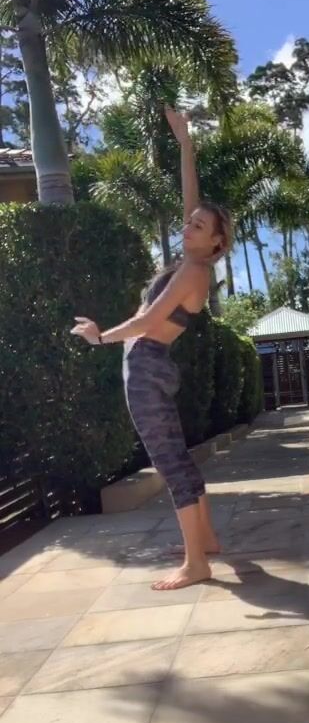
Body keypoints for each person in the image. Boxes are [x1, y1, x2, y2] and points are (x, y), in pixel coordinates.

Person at [71, 108, 231, 590]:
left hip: (144, 369)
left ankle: (195, 563)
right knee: (177, 456)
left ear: (216, 242)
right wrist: (185, 145)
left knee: (169, 463)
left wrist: (101, 337)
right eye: (190, 222)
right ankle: (207, 541)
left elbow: (146, 322)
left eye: (198, 226)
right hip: (153, 365)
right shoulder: (193, 262)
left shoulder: (193, 271)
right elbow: (191, 199)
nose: (188, 226)